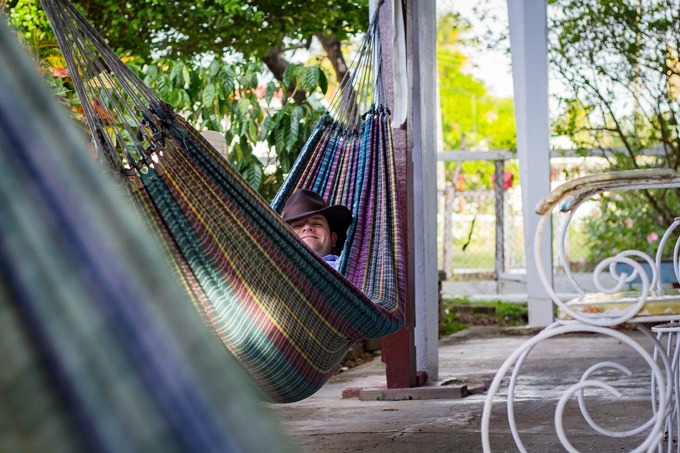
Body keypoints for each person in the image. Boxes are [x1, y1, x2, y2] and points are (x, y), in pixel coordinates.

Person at [281, 189, 353, 270]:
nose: (307, 227)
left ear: (333, 239)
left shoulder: (352, 271)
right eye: (297, 226)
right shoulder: (274, 270)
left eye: (316, 224)